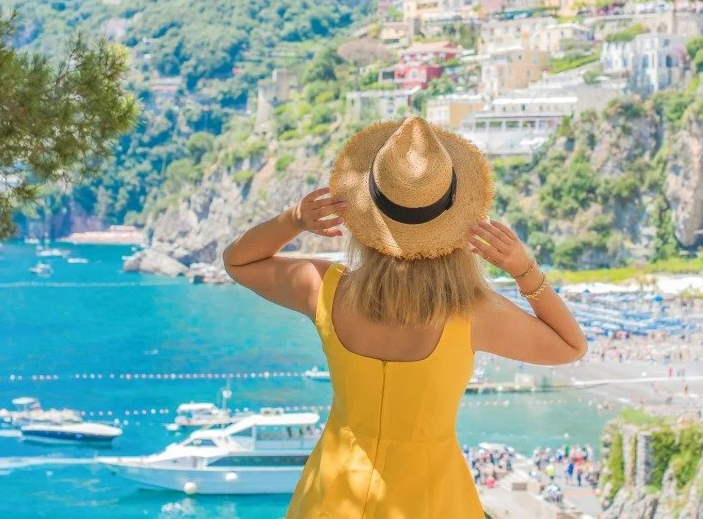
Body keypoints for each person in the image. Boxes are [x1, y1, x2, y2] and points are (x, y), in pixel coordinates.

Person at [223, 117, 588, 518]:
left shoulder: (326, 290)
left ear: (368, 217)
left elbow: (238, 261)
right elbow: (570, 346)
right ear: (455, 222)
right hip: (430, 500)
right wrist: (524, 270)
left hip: (331, 494)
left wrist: (294, 219)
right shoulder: (471, 313)